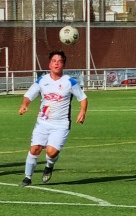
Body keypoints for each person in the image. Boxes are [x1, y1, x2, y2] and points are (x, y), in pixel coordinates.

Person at [18, 51, 87, 186]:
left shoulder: (69, 82)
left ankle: (49, 166)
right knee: (35, 148)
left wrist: (82, 112)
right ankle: (27, 178)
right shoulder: (42, 80)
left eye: (60, 61)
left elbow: (83, 98)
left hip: (61, 124)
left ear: (63, 65)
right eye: (54, 60)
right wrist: (24, 104)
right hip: (43, 122)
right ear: (49, 64)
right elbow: (29, 95)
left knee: (51, 152)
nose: (57, 63)